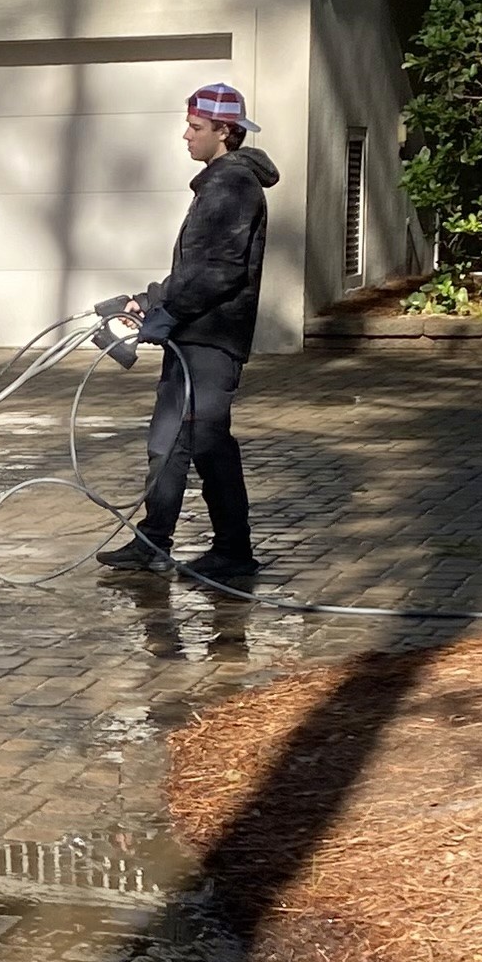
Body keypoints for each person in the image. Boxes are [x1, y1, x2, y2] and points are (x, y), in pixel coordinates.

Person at [98, 77, 281, 597]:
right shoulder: (219, 183)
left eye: (196, 126)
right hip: (191, 334)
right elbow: (197, 267)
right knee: (167, 442)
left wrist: (167, 310)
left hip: (212, 339)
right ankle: (153, 543)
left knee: (207, 442)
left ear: (224, 131)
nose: (185, 135)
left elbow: (220, 271)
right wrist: (150, 300)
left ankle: (234, 552)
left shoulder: (232, 185)